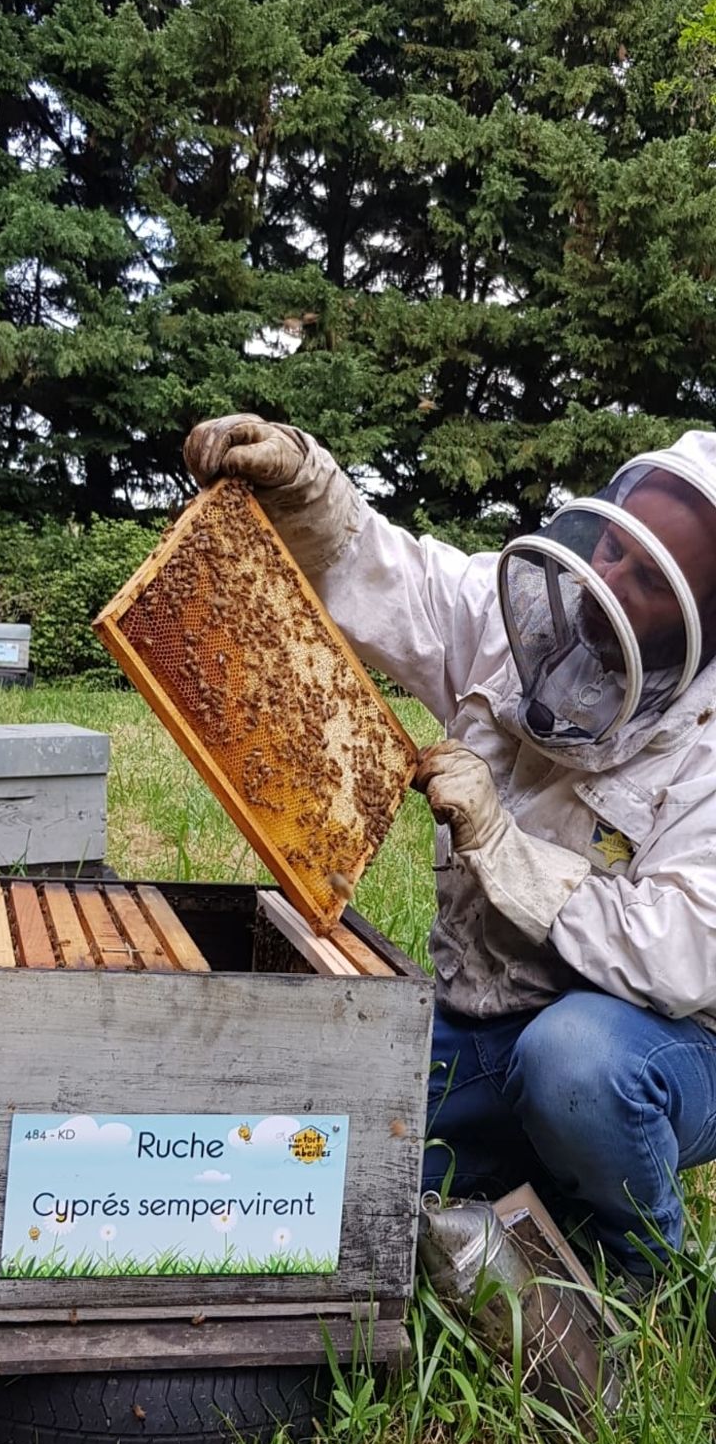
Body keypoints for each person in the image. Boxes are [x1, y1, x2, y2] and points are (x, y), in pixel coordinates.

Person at [184, 413, 716, 1283]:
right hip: (481, 1015)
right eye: (615, 546)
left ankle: (649, 1265)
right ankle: (542, 1169)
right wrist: (305, 485)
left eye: (651, 578)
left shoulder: (705, 745)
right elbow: (398, 580)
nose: (611, 578)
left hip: (653, 1047)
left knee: (574, 1064)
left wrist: (508, 850)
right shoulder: (528, 617)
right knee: (348, 1177)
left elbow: (688, 949)